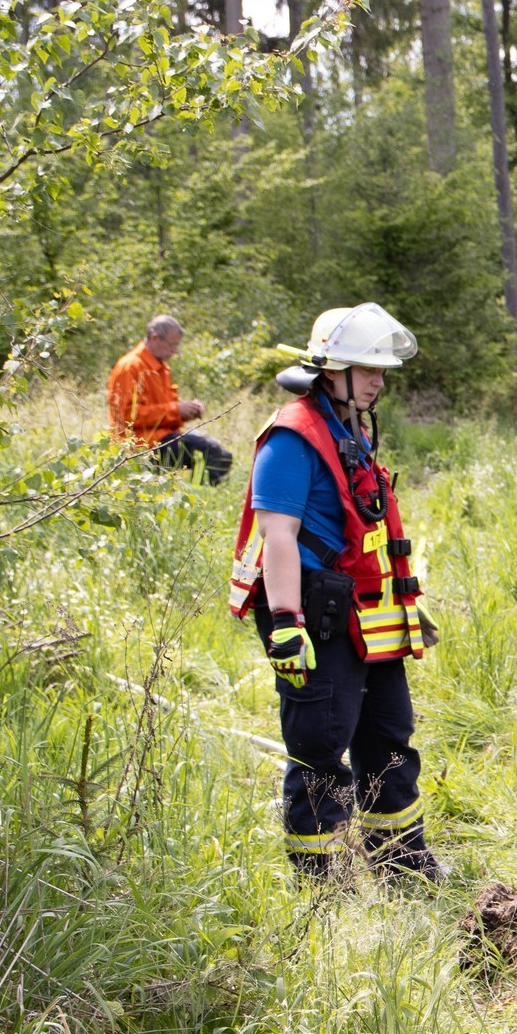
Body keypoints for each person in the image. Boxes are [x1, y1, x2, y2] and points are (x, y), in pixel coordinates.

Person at [227, 304, 444, 881]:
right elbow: (277, 536)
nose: (378, 380)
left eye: (381, 370)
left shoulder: (350, 426)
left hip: (368, 615)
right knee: (322, 747)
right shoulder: (292, 437)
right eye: (365, 368)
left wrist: (406, 609)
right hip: (313, 617)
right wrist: (287, 623)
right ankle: (318, 883)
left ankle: (403, 862)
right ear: (330, 369)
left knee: (389, 735)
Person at [107, 314, 233, 485]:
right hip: (139, 443)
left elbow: (162, 408)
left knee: (222, 456)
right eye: (172, 345)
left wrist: (186, 412)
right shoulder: (131, 367)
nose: (174, 351)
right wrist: (176, 410)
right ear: (155, 337)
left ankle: (197, 496)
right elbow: (127, 417)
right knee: (210, 452)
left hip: (161, 435)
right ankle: (198, 498)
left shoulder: (161, 367)